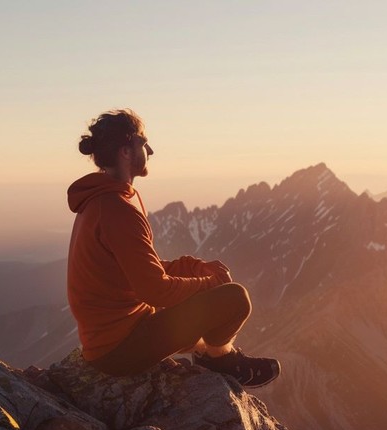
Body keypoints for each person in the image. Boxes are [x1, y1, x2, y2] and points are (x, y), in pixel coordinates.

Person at [66, 109, 279, 386]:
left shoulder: (104, 201)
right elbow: (155, 290)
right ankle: (219, 359)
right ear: (126, 151)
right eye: (143, 142)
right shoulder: (116, 209)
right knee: (235, 298)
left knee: (214, 290)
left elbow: (143, 268)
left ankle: (209, 352)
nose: (150, 150)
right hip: (119, 351)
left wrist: (195, 268)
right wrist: (208, 283)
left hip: (112, 338)